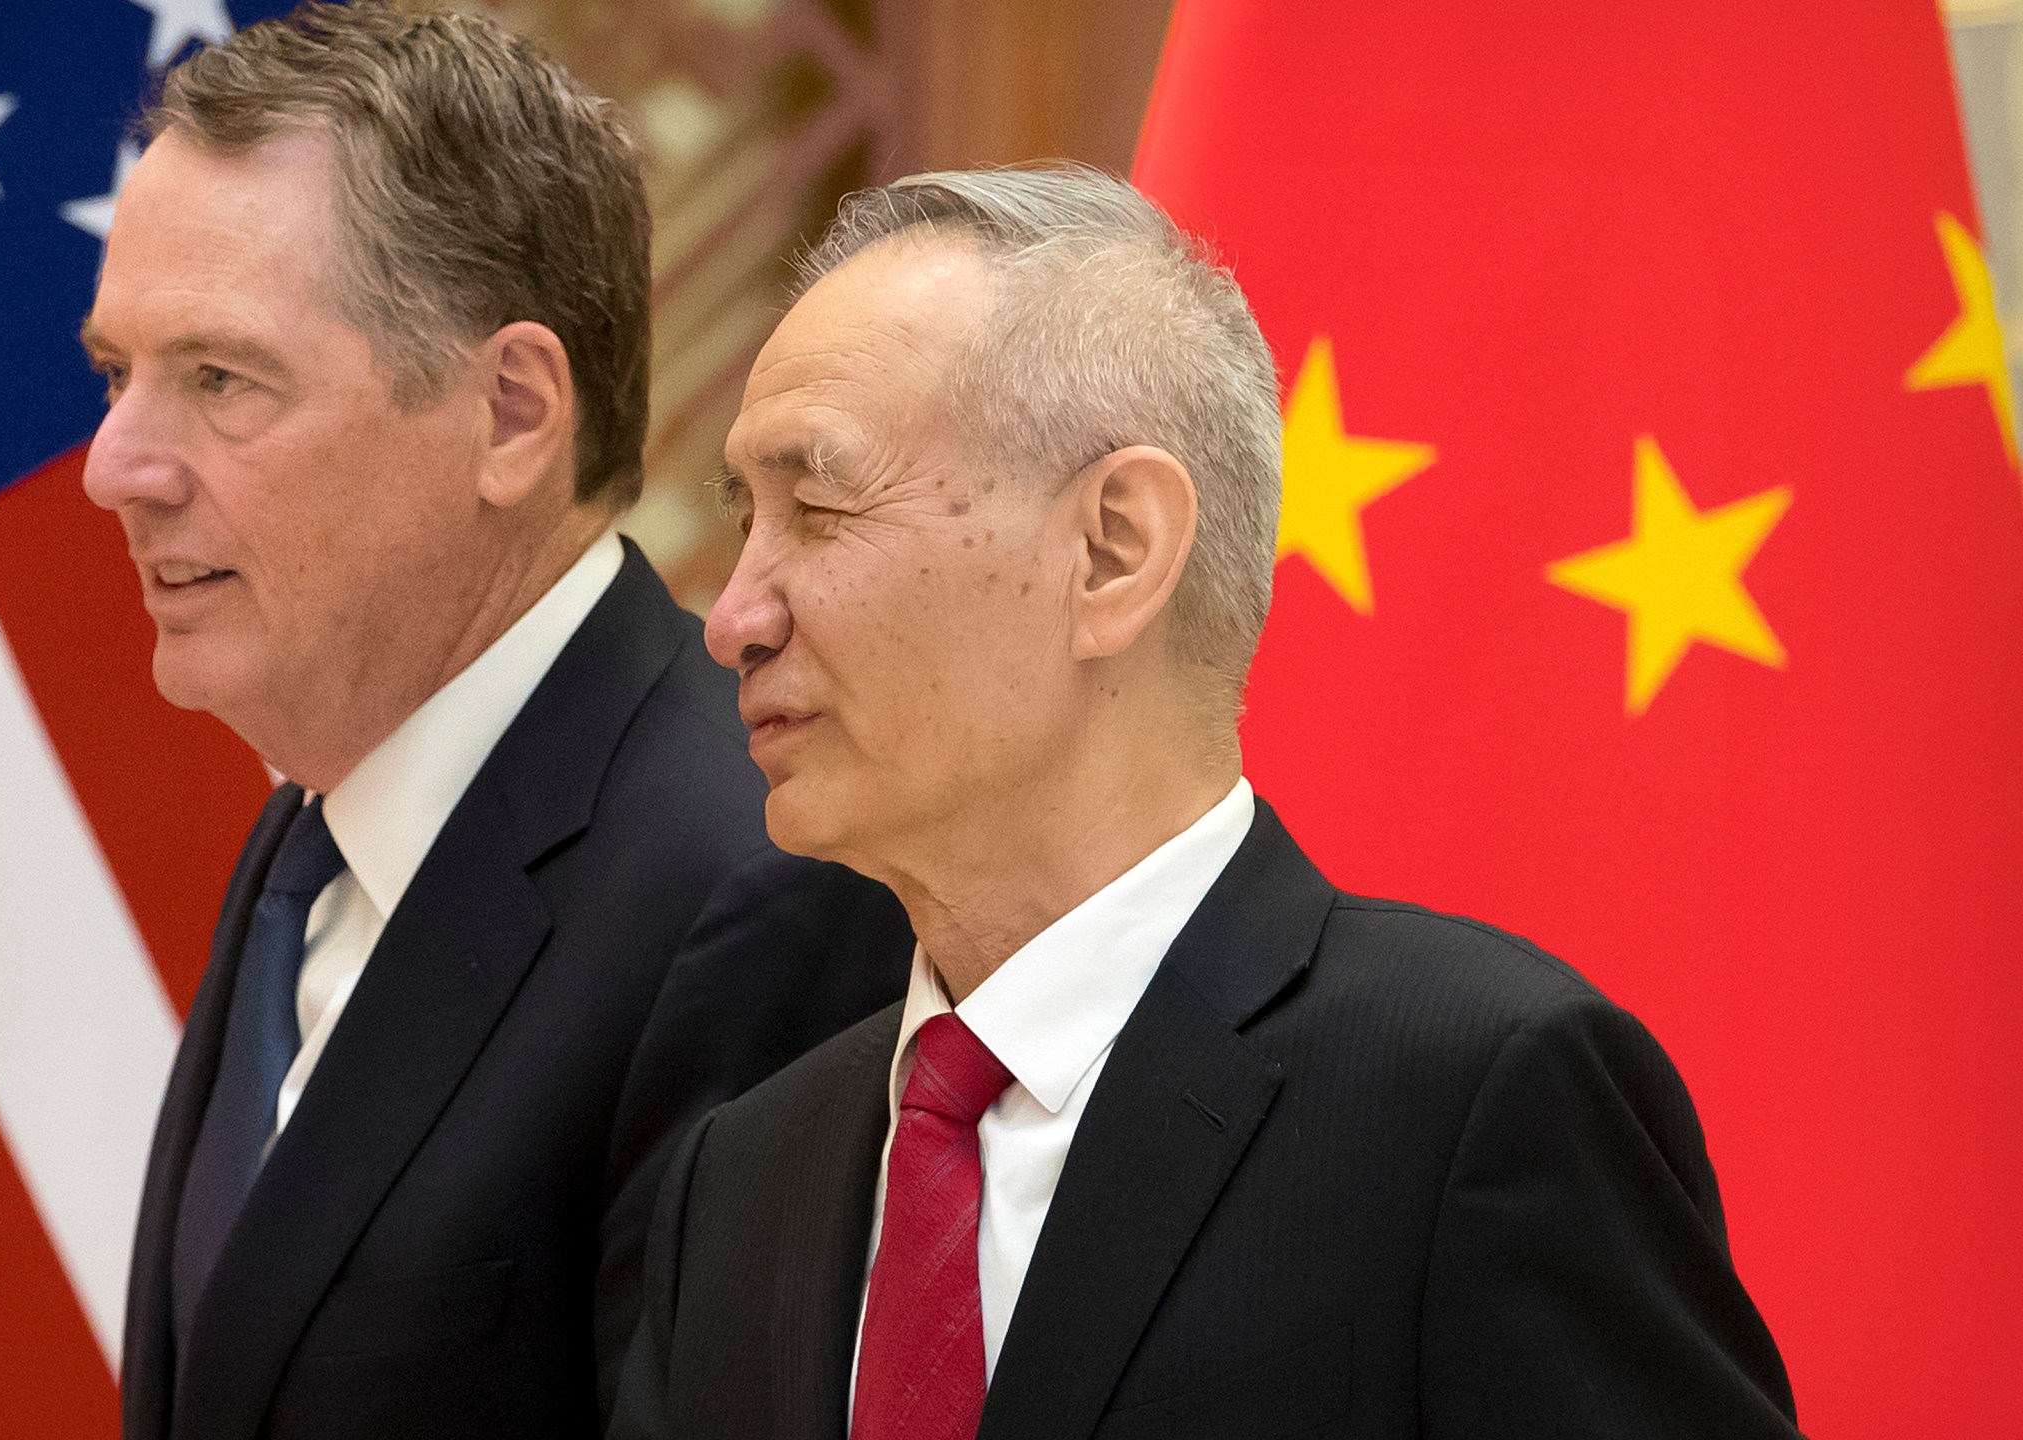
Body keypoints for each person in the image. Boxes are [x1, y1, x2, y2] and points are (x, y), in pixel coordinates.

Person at [610, 167, 1801, 1440]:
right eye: (746, 518)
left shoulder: (1476, 1101)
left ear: (1113, 549)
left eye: (820, 503)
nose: (733, 616)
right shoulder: (742, 1181)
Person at [80, 7, 911, 1437]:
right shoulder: (314, 837)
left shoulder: (759, 884)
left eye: (219, 379)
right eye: (117, 374)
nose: (116, 468)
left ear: (512, 413)